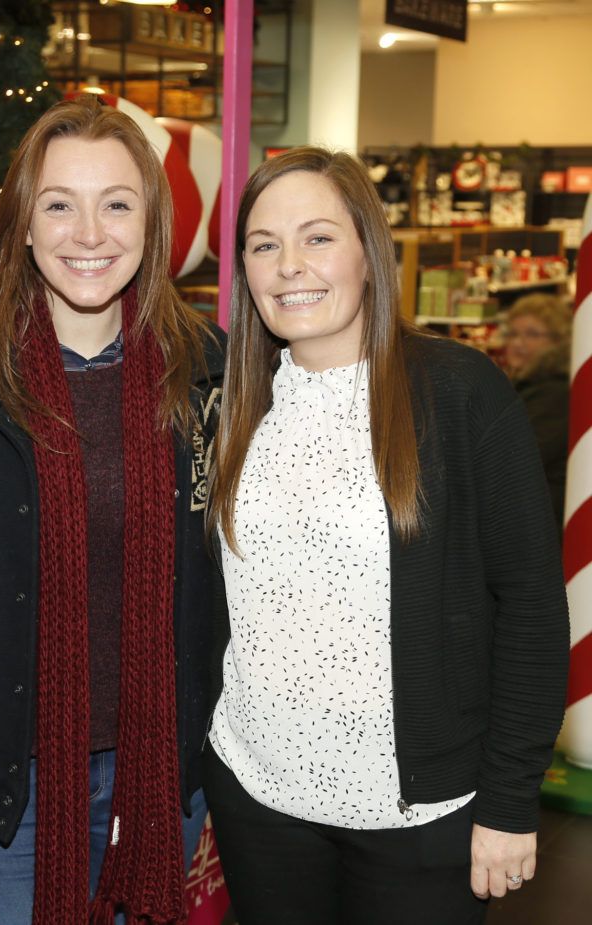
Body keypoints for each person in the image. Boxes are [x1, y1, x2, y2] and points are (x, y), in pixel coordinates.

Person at [204, 147, 570, 925]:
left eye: (318, 237)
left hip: (422, 815)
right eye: (264, 244)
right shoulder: (232, 403)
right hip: (258, 798)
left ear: (369, 250)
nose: (290, 265)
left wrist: (510, 799)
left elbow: (533, 610)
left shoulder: (460, 392)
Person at [0, 95, 226, 924]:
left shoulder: (213, 373)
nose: (88, 233)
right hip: (6, 782)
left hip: (161, 768)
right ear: (22, 224)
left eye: (117, 204)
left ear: (152, 223)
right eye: (59, 204)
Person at [502, 292, 573, 532]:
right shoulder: (529, 383)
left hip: (542, 523)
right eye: (513, 334)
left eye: (532, 334)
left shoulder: (555, 392)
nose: (518, 343)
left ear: (558, 342)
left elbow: (522, 455)